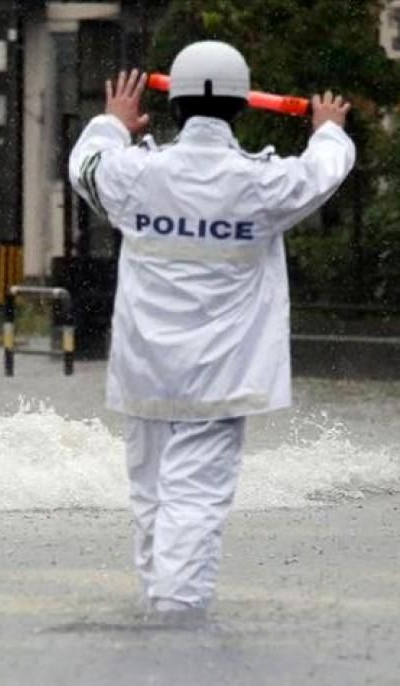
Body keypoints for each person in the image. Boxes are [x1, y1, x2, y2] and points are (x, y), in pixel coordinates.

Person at [67, 42, 355, 623]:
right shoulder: (261, 185)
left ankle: (156, 602)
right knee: (195, 502)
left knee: (151, 498)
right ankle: (178, 620)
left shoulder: (134, 176)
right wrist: (327, 128)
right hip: (220, 375)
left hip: (147, 369)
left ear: (172, 104)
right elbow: (323, 173)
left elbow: (86, 166)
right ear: (242, 106)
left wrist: (113, 122)